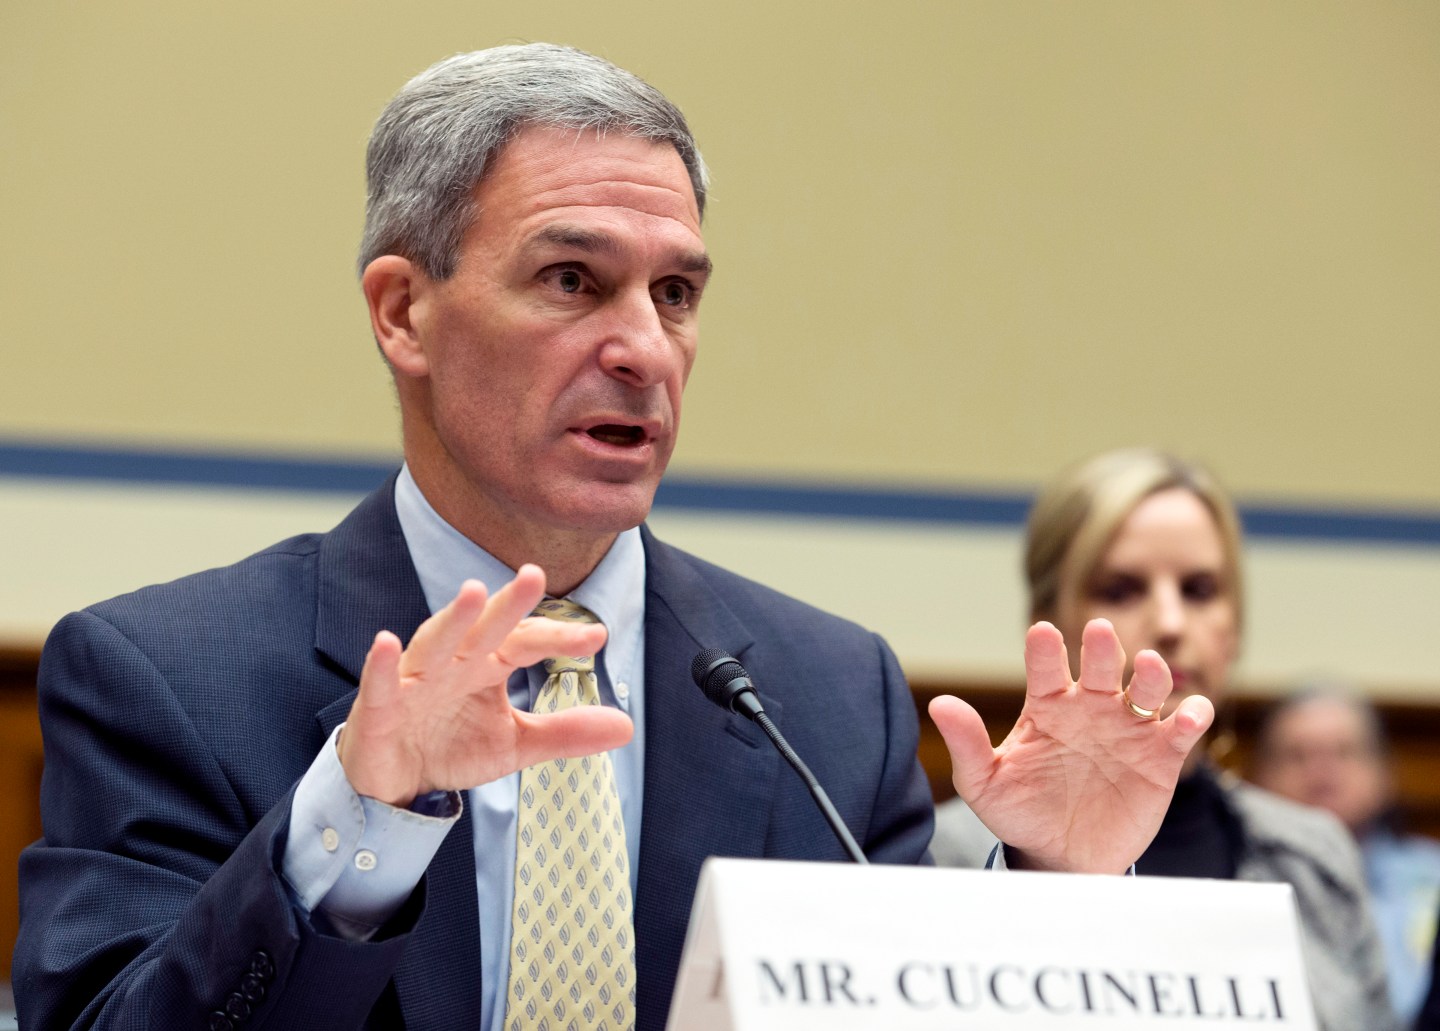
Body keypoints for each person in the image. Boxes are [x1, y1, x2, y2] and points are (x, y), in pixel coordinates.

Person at [15, 47, 1212, 1031]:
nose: (643, 346)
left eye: (676, 293)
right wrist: (361, 817)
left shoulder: (825, 695)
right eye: (574, 279)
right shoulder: (165, 674)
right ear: (403, 313)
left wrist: (1056, 899)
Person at [932, 447, 1398, 1031]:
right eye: (1122, 589)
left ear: (1235, 628)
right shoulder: (941, 856)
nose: (1172, 624)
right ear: (1048, 617)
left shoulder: (1317, 856)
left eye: (1200, 590)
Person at [1253, 689, 1440, 1025]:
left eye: (1344, 752)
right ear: (1260, 778)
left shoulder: (1433, 876)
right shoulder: (1237, 882)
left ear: (1385, 773)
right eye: (1297, 756)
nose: (1321, 774)